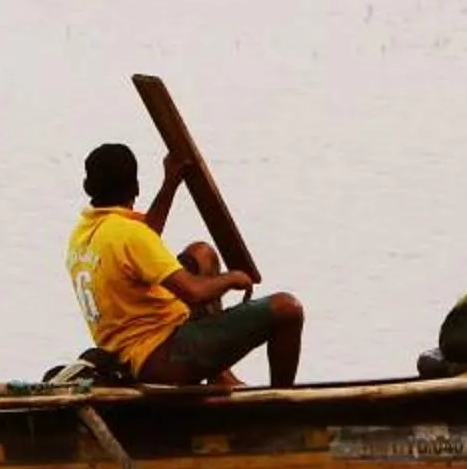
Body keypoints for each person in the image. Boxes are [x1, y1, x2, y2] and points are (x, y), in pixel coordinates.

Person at [67, 141, 304, 387]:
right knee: (287, 309)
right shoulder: (129, 235)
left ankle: (220, 376)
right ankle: (279, 405)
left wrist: (170, 184)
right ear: (136, 187)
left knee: (202, 254)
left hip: (122, 349)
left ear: (89, 188)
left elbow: (144, 241)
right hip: (160, 357)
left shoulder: (84, 233)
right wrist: (232, 278)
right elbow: (193, 292)